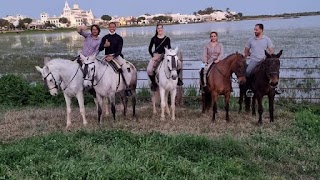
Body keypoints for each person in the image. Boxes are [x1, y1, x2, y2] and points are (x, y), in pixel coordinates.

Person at [244, 23, 282, 96]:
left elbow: (271, 50)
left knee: (274, 71)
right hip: (254, 60)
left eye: (256, 30)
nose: (255, 31)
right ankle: (249, 89)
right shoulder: (250, 40)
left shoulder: (267, 39)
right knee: (248, 71)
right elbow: (246, 50)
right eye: (254, 30)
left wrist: (268, 58)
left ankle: (276, 87)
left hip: (264, 61)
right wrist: (249, 55)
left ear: (261, 30)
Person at [98, 22, 131, 96]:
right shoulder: (105, 37)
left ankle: (127, 86)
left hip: (116, 56)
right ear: (108, 28)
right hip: (106, 56)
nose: (112, 28)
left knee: (125, 67)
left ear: (115, 28)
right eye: (110, 27)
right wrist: (104, 45)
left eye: (113, 27)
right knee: (97, 67)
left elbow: (119, 50)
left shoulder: (119, 38)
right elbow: (100, 48)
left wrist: (113, 56)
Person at [147, 24, 183, 91]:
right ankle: (154, 83)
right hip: (157, 55)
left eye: (161, 28)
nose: (160, 29)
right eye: (158, 28)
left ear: (163, 29)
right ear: (157, 29)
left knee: (179, 64)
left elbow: (169, 48)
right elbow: (149, 49)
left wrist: (170, 54)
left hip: (166, 55)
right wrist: (153, 56)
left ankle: (178, 79)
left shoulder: (167, 39)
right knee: (149, 69)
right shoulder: (153, 39)